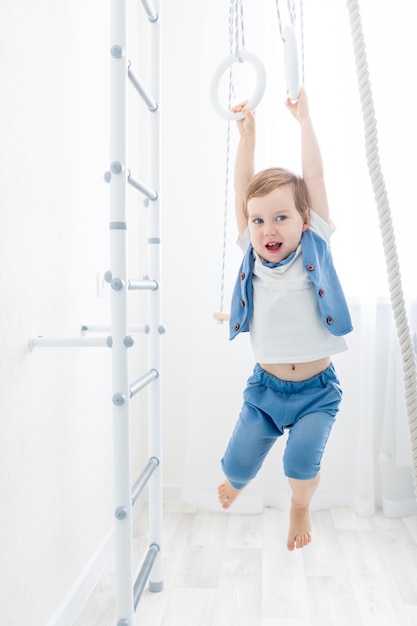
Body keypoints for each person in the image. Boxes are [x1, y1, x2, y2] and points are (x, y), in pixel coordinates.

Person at [217, 87, 353, 551]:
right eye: (258, 221)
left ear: (305, 220)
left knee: (300, 465)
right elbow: (242, 190)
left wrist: (305, 121)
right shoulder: (251, 257)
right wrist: (246, 140)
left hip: (317, 392)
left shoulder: (315, 245)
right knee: (234, 467)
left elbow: (313, 173)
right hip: (266, 391)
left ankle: (300, 504)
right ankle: (239, 480)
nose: (267, 229)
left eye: (280, 218)